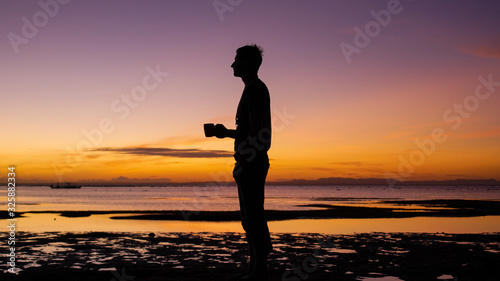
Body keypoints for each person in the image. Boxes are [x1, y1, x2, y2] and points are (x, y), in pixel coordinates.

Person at [212, 44, 272, 280]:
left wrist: (227, 133)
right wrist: (227, 133)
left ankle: (259, 270)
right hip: (248, 161)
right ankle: (253, 267)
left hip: (252, 162)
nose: (232, 64)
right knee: (249, 216)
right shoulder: (252, 89)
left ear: (246, 64)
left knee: (254, 216)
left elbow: (256, 131)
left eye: (236, 60)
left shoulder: (255, 89)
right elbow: (250, 129)